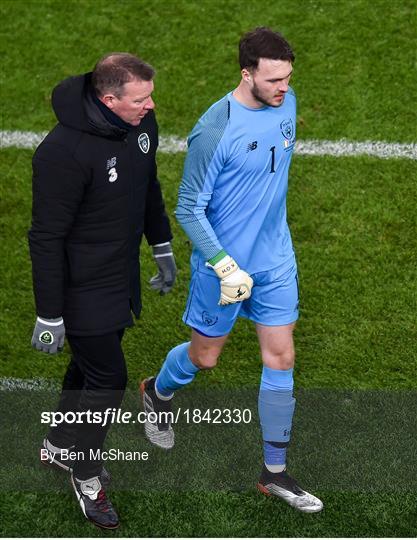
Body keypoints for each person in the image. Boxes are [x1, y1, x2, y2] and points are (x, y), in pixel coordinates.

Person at [140, 27, 323, 513]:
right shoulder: (215, 130)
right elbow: (187, 207)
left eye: (288, 77)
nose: (284, 88)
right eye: (273, 80)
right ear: (247, 75)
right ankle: (156, 393)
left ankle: (274, 472)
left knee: (280, 358)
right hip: (221, 270)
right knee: (205, 359)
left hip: (275, 261)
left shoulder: (287, 103)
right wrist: (223, 265)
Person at [29, 52, 176, 529]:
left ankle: (57, 445)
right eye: (141, 98)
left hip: (119, 276)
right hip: (81, 285)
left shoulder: (141, 126)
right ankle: (86, 473)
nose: (150, 106)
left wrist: (161, 242)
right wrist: (50, 314)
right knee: (109, 379)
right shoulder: (62, 153)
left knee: (90, 367)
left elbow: (147, 184)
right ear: (109, 99)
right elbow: (46, 237)